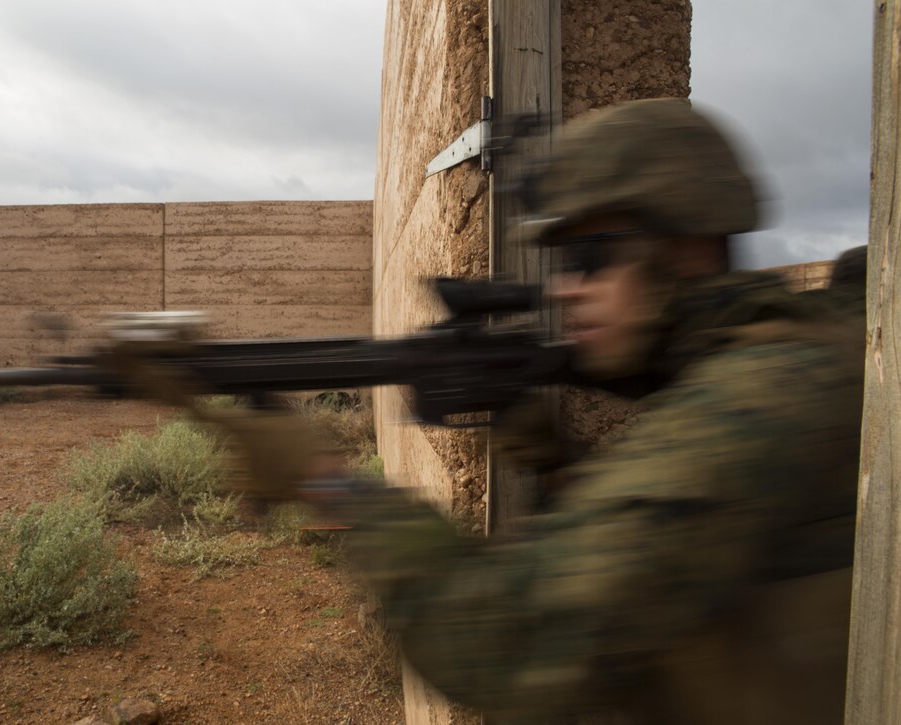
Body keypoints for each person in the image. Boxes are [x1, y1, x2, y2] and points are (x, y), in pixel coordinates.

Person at [231, 99, 866, 724]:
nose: (564, 288)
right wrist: (540, 444)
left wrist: (326, 481)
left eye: (589, 259)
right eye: (561, 262)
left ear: (686, 245)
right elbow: (649, 558)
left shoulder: (764, 393)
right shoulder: (766, 359)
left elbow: (508, 645)